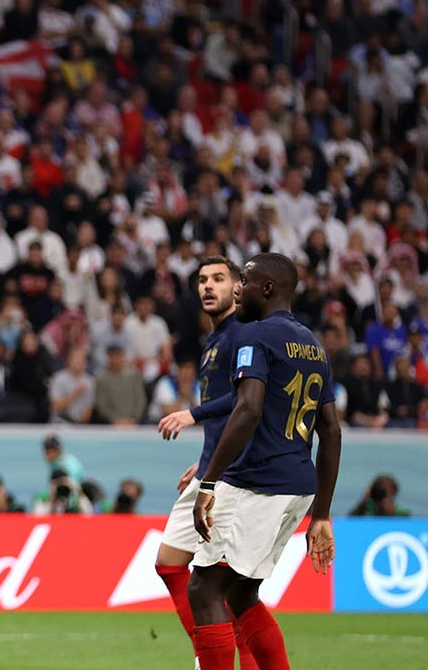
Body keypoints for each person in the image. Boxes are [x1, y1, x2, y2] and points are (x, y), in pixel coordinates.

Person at [188, 253, 341, 670]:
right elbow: (330, 431)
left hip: (258, 481)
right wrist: (321, 514)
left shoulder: (254, 336)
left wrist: (208, 482)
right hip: (298, 486)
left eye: (247, 281)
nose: (239, 288)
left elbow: (248, 409)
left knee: (204, 588)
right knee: (240, 595)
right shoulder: (313, 345)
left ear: (268, 289)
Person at [153, 256, 257, 668]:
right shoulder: (213, 342)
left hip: (234, 478)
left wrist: (191, 414)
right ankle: (208, 650)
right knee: (169, 562)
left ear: (237, 288)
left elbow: (248, 397)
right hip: (214, 467)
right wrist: (204, 460)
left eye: (218, 278)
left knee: (227, 589)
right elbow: (225, 417)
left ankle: (216, 655)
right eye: (201, 280)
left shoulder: (242, 335)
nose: (207, 286)